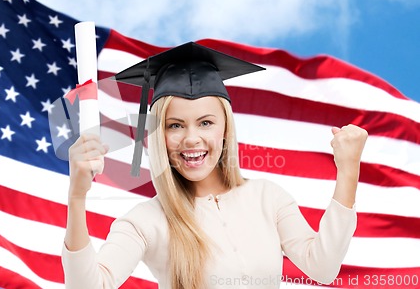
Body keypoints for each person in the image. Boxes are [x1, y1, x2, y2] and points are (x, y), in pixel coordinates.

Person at [61, 42, 368, 289]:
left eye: (205, 122)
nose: (191, 139)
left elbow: (324, 267)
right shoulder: (146, 222)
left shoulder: (267, 197)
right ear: (157, 135)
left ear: (225, 129)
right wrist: (77, 197)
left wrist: (348, 171)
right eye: (175, 125)